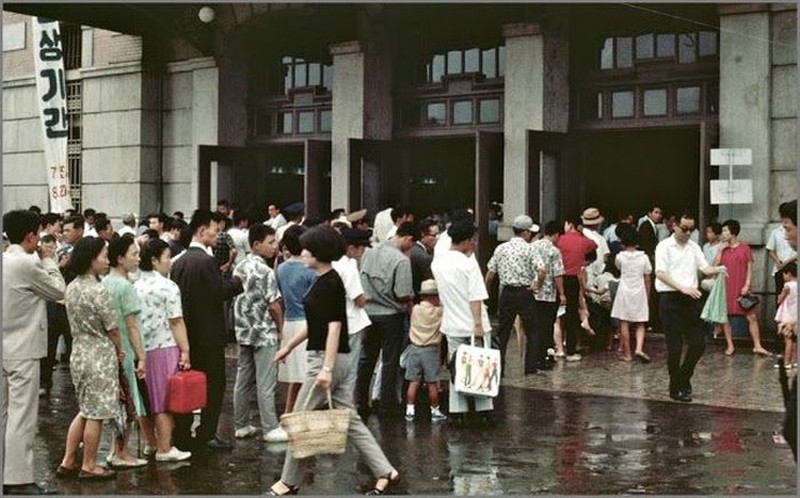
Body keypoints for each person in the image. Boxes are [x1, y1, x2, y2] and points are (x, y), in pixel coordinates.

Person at [266, 226, 400, 496]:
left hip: (325, 359)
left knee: (300, 419)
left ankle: (288, 481)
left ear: (319, 253)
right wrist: (289, 346)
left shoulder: (329, 283)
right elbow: (317, 324)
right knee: (350, 419)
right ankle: (385, 470)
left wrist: (325, 368)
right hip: (333, 357)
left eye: (307, 250)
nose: (302, 253)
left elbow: (334, 327)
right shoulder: (325, 278)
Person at [3, 210, 65, 495]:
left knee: (5, 414)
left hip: (5, 346)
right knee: (22, 416)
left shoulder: (5, 260)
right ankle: (17, 479)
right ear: (30, 236)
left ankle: (7, 471)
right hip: (23, 348)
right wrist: (49, 259)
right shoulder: (27, 264)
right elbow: (57, 290)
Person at [170, 209, 244, 451]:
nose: (217, 234)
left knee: (186, 383)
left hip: (186, 335)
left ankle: (182, 432)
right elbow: (218, 292)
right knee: (213, 386)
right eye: (214, 229)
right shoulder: (206, 261)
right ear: (202, 231)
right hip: (209, 336)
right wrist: (236, 283)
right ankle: (207, 433)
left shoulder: (179, 262)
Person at [57, 237, 124, 480]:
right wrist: (120, 350)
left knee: (85, 409)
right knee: (96, 413)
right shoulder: (99, 290)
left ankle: (68, 460)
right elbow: (113, 329)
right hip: (99, 354)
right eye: (103, 255)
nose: (107, 260)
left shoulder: (72, 287)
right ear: (91, 259)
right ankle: (89, 465)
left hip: (79, 352)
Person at [654, 212, 724, 402]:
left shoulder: (693, 247)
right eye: (684, 229)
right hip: (671, 299)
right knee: (674, 347)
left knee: (698, 343)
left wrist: (719, 269)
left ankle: (684, 378)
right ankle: (675, 386)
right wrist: (682, 287)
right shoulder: (664, 247)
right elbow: (660, 273)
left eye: (691, 230)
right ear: (674, 225)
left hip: (691, 299)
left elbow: (705, 268)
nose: (687, 233)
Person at [134, 239, 192, 462]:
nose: (170, 261)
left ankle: (152, 444)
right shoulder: (168, 286)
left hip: (141, 349)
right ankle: (165, 448)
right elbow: (176, 321)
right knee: (164, 401)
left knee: (145, 400)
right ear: (154, 260)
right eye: (167, 257)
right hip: (165, 346)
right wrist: (185, 350)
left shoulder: (134, 285)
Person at [431, 221, 494, 425]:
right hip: (474, 323)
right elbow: (475, 296)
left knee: (457, 367)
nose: (475, 243)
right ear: (466, 241)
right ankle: (484, 410)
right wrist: (477, 324)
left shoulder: (437, 263)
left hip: (452, 322)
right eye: (473, 240)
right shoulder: (468, 264)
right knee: (481, 365)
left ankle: (458, 410)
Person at [232, 224, 286, 443]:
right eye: (270, 242)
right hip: (264, 331)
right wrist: (281, 329)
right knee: (266, 381)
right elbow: (274, 305)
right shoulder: (266, 271)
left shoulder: (240, 267)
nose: (274, 247)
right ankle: (270, 426)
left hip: (243, 329)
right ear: (256, 244)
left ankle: (241, 424)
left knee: (243, 379)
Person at [357, 222, 416, 418]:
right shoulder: (401, 260)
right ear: (407, 238)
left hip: (367, 312)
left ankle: (360, 401)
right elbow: (402, 293)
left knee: (366, 359)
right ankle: (386, 404)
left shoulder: (368, 252)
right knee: (390, 361)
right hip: (391, 315)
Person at [102, 235, 150, 468]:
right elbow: (132, 327)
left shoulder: (104, 283)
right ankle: (120, 452)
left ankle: (116, 450)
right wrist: (142, 357)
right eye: (134, 254)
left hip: (109, 350)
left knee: (119, 402)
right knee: (129, 403)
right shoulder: (125, 287)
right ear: (120, 258)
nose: (138, 258)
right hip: (126, 351)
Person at [484, 214, 540, 375]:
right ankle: (530, 368)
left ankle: (499, 367)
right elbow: (541, 270)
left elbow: (490, 273)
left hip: (507, 292)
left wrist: (486, 292)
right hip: (525, 292)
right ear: (526, 232)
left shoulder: (501, 248)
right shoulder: (530, 248)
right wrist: (537, 285)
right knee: (532, 331)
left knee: (503, 331)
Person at [275, 224, 316, 435]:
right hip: (307, 324)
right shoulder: (311, 269)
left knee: (295, 377)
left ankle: (289, 414)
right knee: (307, 376)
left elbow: (280, 296)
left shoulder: (281, 268)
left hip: (290, 322)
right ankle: (299, 418)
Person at [714, 219, 770, 357]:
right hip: (725, 287)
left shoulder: (745, 248)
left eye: (725, 230)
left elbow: (750, 268)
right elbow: (715, 266)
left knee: (751, 316)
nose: (723, 233)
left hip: (741, 287)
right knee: (724, 317)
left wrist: (747, 284)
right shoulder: (723, 249)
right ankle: (730, 345)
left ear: (733, 232)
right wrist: (720, 251)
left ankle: (757, 345)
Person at [332, 228, 373, 400]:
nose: (363, 252)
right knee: (349, 372)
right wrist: (366, 298)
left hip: (336, 322)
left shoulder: (333, 263)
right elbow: (358, 298)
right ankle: (347, 407)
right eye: (361, 248)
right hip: (351, 323)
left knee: (336, 368)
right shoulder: (348, 267)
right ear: (351, 248)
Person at [404, 279, 446, 422]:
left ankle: (410, 410)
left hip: (414, 349)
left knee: (413, 382)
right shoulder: (439, 312)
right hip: (431, 350)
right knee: (432, 383)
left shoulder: (416, 310)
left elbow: (410, 307)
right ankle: (435, 410)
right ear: (435, 296)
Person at [556, 215, 597, 361]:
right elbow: (594, 245)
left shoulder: (560, 239)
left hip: (558, 278)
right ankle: (571, 350)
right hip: (573, 279)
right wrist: (581, 232)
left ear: (569, 223)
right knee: (572, 314)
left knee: (556, 316)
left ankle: (556, 347)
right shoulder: (584, 241)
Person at [610, 225, 652, 363]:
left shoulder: (620, 257)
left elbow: (618, 267)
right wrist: (648, 293)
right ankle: (639, 348)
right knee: (641, 322)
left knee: (624, 321)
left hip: (624, 290)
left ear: (623, 243)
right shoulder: (644, 258)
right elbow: (647, 276)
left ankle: (627, 354)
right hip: (639, 290)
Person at [531, 221, 566, 367]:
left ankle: (532, 356)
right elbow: (558, 274)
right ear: (556, 234)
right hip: (548, 294)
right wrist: (562, 293)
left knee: (534, 326)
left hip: (533, 292)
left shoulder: (532, 246)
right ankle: (544, 356)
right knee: (546, 326)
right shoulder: (554, 251)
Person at [767, 209, 797, 301]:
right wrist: (778, 262)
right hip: (779, 268)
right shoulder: (776, 232)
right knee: (780, 293)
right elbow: (770, 249)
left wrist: (788, 261)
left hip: (794, 267)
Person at [774, 262, 797, 369]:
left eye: (784, 274)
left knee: (788, 339)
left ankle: (786, 362)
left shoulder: (788, 286)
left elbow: (780, 300)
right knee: (794, 339)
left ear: (788, 274)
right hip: (796, 316)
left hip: (788, 316)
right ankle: (794, 361)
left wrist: (780, 295)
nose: (783, 276)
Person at [409, 218, 438, 297]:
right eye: (434, 235)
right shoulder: (423, 257)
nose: (437, 238)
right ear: (423, 235)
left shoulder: (413, 249)